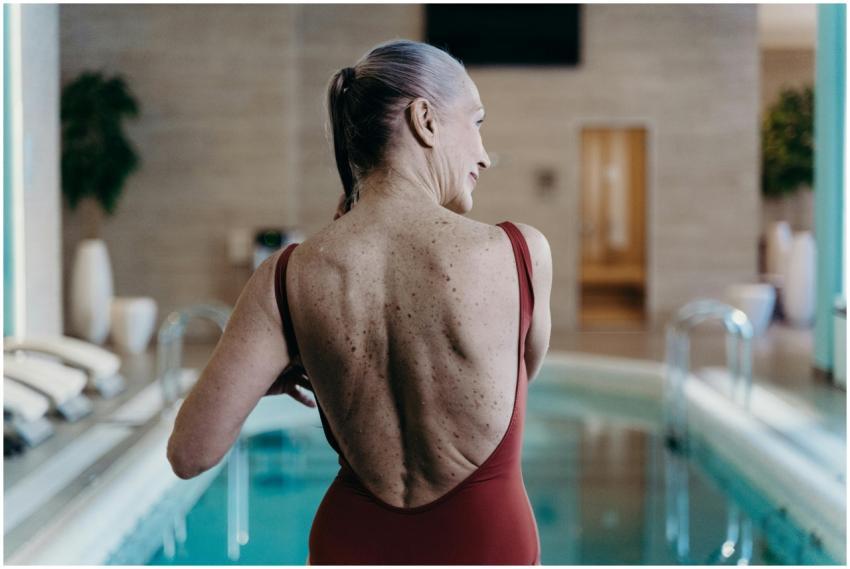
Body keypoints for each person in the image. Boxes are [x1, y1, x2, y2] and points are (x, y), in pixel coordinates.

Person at [167, 39, 552, 565]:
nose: (484, 154)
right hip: (483, 543)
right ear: (426, 120)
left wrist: (266, 378)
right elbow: (516, 382)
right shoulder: (520, 254)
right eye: (477, 123)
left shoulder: (287, 277)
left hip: (350, 544)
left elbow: (190, 454)